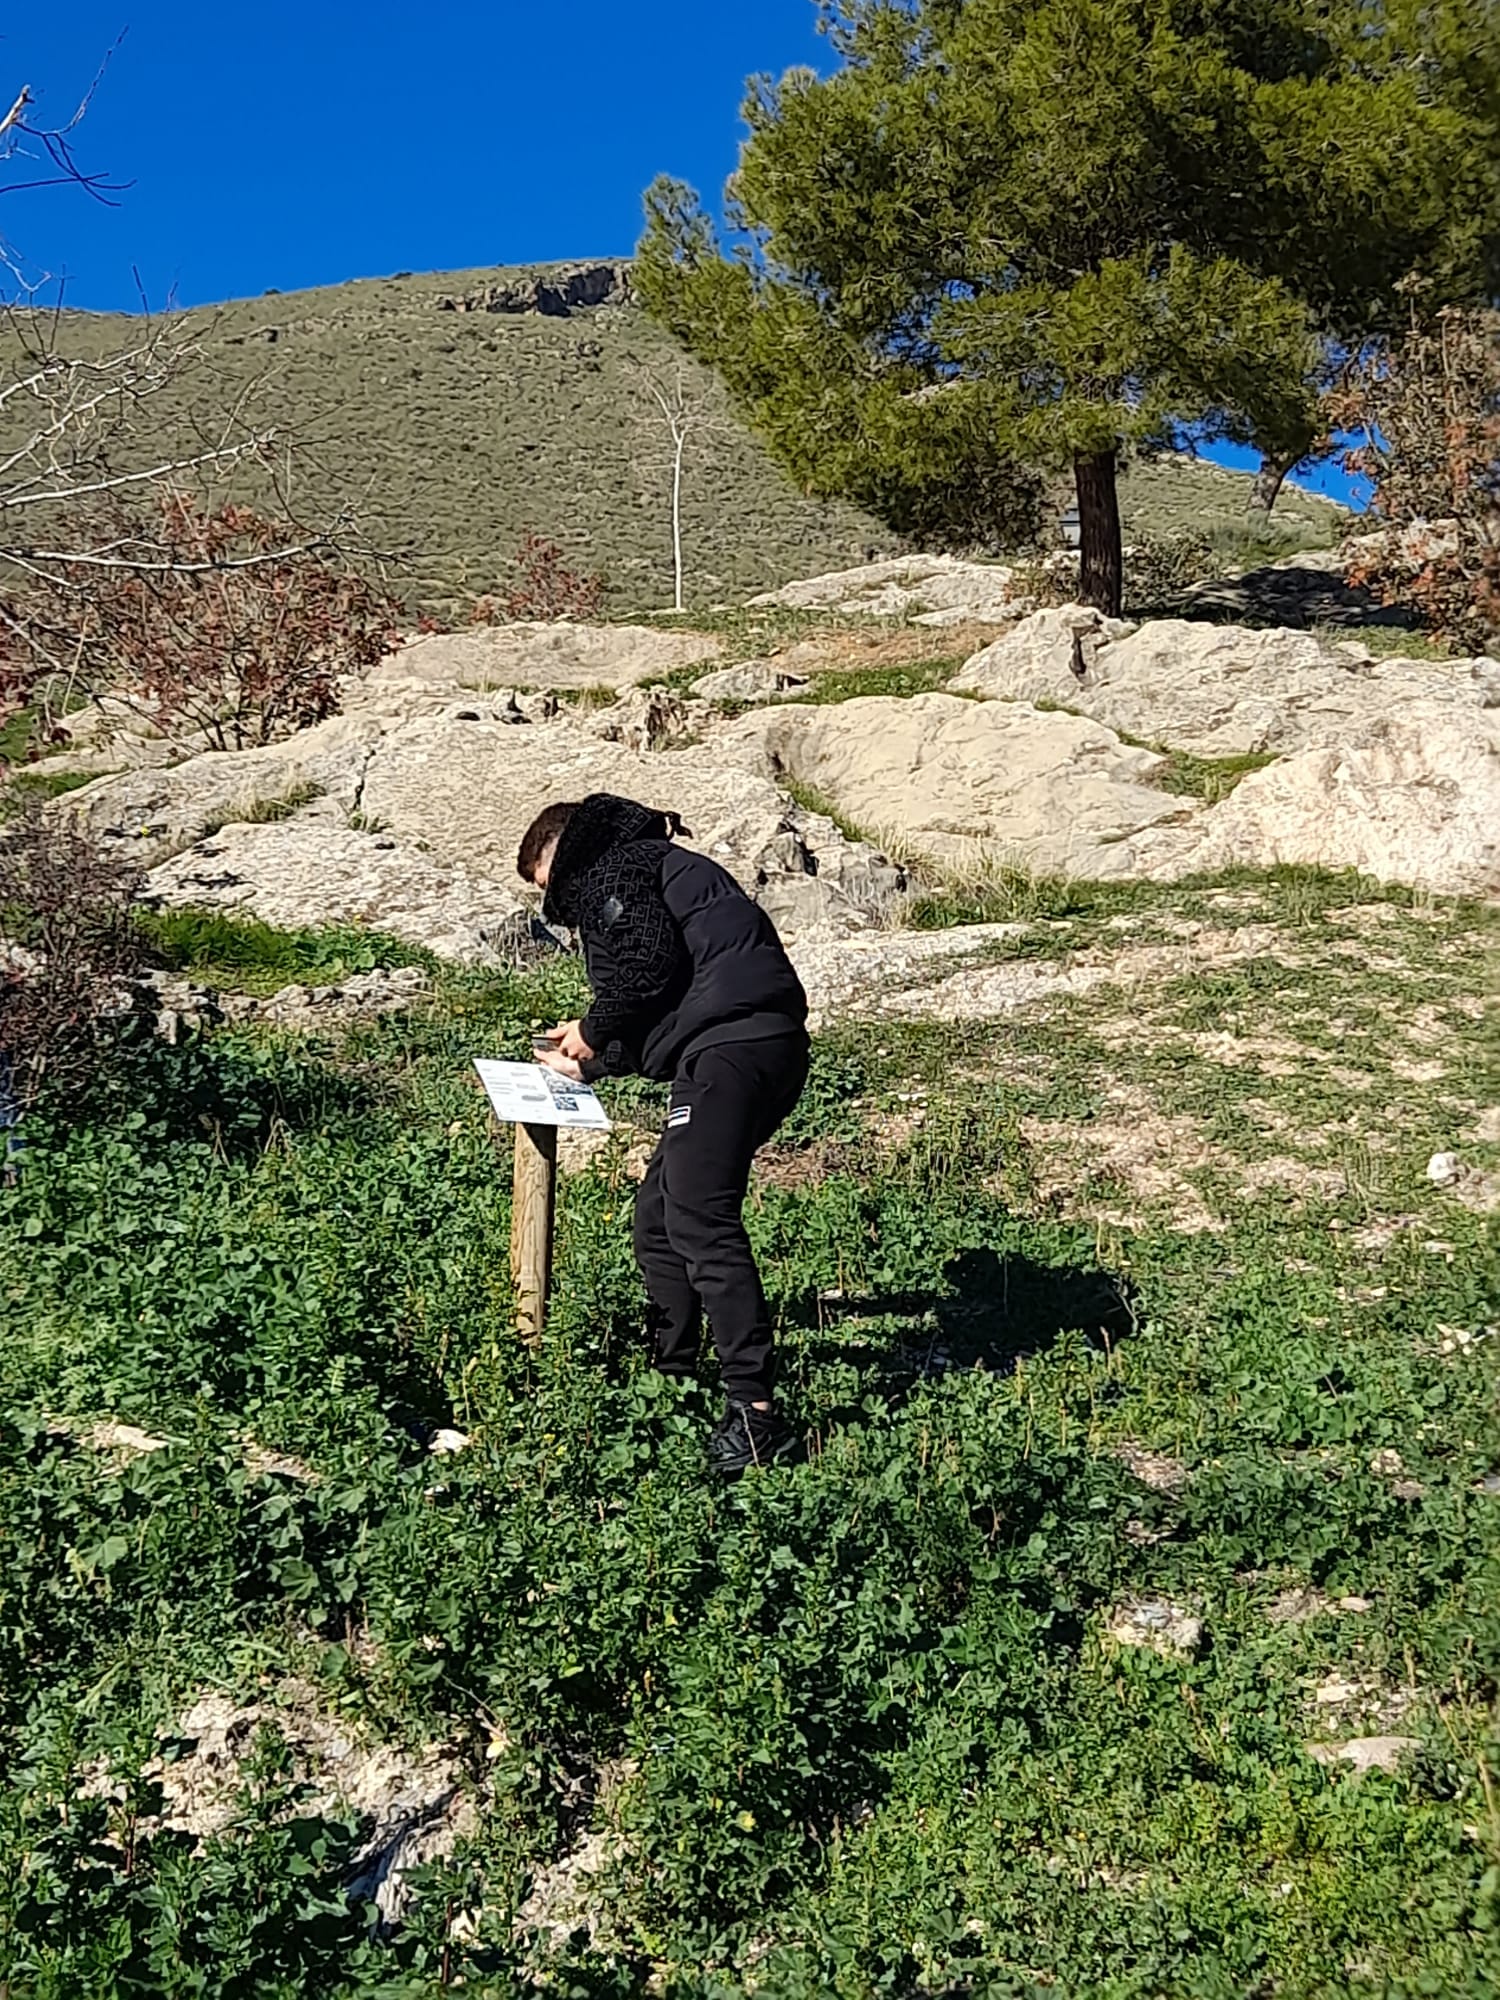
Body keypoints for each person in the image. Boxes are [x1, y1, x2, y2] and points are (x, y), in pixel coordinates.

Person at [516, 792, 809, 1473]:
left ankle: (757, 1417)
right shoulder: (665, 868)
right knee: (658, 1217)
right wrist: (591, 1059)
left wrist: (591, 1029)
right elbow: (673, 995)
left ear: (564, 856)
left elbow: (645, 968)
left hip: (729, 1052)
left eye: (547, 886)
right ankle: (670, 1377)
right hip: (757, 1046)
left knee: (701, 1220)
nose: (554, 905)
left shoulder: (617, 865)